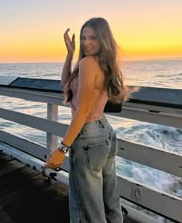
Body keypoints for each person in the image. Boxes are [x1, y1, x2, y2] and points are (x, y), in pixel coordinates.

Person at [46, 17, 128, 223]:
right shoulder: (100, 62)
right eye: (83, 37)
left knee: (88, 209)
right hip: (104, 131)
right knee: (109, 198)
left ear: (103, 39)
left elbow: (82, 110)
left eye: (93, 37)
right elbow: (66, 84)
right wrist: (69, 54)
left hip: (89, 137)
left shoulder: (88, 63)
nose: (86, 42)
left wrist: (62, 149)